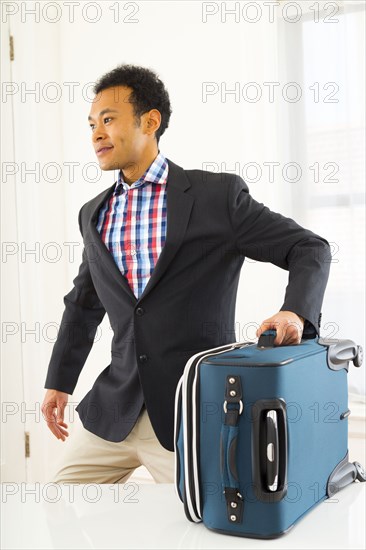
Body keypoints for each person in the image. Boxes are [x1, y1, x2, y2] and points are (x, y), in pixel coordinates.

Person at [42, 64, 331, 484]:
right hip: (113, 411)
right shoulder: (93, 214)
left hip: (194, 414)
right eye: (91, 124)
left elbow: (309, 248)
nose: (96, 134)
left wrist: (295, 312)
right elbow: (83, 306)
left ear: (150, 121)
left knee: (203, 533)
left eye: (108, 119)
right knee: (56, 510)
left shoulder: (218, 197)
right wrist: (59, 383)